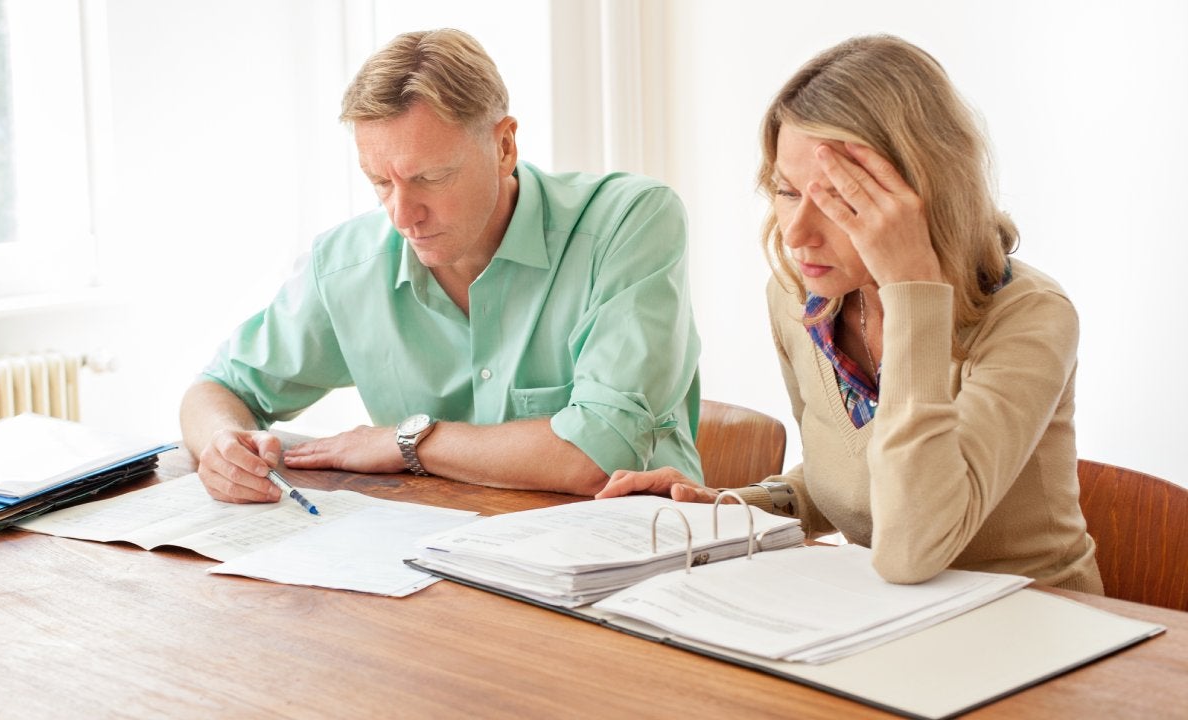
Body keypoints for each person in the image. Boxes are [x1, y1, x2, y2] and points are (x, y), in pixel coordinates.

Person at [597, 35, 1102, 593]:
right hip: (891, 620)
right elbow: (847, 482)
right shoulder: (797, 300)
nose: (796, 233)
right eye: (786, 192)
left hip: (1040, 628)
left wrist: (911, 292)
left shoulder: (1032, 317)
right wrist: (729, 508)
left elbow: (913, 546)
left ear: (922, 196)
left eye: (837, 198)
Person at [180, 28, 702, 502]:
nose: (402, 215)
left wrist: (407, 441)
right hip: (437, 565)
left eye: (430, 177)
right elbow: (218, 388)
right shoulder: (345, 265)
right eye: (381, 182)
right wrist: (222, 445)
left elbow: (598, 456)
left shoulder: (628, 221)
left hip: (630, 559)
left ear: (504, 145)